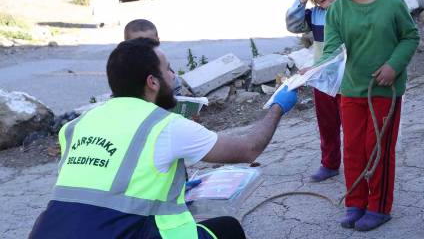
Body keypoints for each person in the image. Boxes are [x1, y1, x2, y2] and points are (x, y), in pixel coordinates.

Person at [29, 38, 298, 239]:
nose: (174, 76)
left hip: (47, 232)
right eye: (168, 70)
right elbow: (249, 149)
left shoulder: (77, 125)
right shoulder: (165, 126)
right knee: (227, 229)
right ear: (152, 82)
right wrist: (277, 106)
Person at [321, 0, 420, 231]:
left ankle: (379, 206)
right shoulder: (337, 9)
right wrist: (315, 70)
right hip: (351, 90)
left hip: (384, 92)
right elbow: (331, 49)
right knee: (352, 148)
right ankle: (356, 202)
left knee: (377, 148)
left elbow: (410, 37)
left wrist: (393, 66)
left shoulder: (392, 3)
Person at [286, 0, 344, 182]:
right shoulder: (316, 15)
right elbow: (293, 25)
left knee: (352, 125)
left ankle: (361, 164)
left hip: (347, 79)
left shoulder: (349, 10)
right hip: (322, 80)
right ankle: (329, 164)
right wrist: (301, 0)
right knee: (327, 125)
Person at [124, 19, 183, 95]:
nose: (144, 49)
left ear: (157, 42)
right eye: (137, 45)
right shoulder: (123, 64)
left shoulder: (161, 61)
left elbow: (174, 86)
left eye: (149, 44)